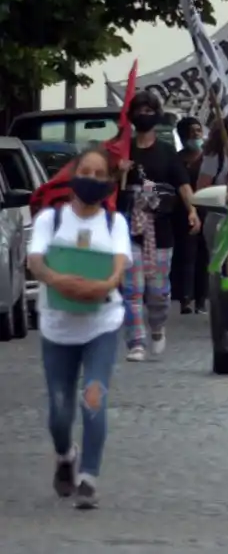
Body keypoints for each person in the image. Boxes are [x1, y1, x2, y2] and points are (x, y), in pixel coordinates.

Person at [25, 147, 132, 509]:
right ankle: (65, 456)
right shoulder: (50, 221)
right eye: (85, 171)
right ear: (73, 175)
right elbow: (35, 262)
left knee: (93, 397)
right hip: (57, 326)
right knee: (59, 410)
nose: (91, 178)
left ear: (109, 182)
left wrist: (99, 287)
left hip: (101, 323)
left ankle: (88, 477)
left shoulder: (114, 224)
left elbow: (118, 268)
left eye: (99, 174)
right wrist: (59, 280)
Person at [120, 91, 199, 362]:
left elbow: (183, 185)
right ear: (131, 115)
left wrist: (192, 211)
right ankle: (136, 342)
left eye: (148, 109)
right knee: (132, 289)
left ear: (156, 115)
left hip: (160, 229)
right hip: (130, 228)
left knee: (158, 291)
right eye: (139, 109)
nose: (144, 114)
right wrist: (119, 170)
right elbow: (109, 188)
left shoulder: (166, 152)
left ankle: (156, 327)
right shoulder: (123, 150)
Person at [171, 117, 207, 314]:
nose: (196, 135)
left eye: (198, 130)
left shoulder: (209, 159)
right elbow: (155, 183)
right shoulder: (176, 160)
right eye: (192, 131)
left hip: (208, 211)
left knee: (204, 257)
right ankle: (185, 298)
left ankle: (201, 299)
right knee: (186, 256)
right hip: (182, 214)